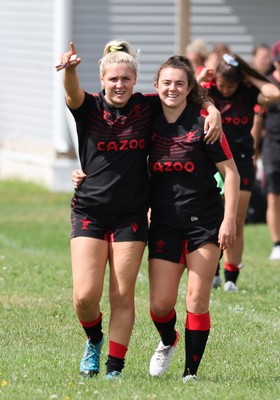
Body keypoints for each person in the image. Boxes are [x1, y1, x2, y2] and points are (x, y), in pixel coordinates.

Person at [57, 39, 222, 380]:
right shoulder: (88, 107)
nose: (119, 85)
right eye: (113, 79)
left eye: (126, 79)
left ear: (135, 81)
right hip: (89, 209)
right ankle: (94, 338)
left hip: (132, 216)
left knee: (122, 295)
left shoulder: (146, 107)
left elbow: (182, 93)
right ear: (102, 80)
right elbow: (72, 93)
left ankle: (114, 369)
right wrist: (71, 70)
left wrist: (213, 109)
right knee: (85, 297)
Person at [147, 55, 240, 382]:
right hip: (164, 224)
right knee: (160, 305)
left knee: (197, 299)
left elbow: (231, 174)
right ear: (156, 85)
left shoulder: (205, 123)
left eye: (180, 84)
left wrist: (229, 221)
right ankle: (167, 339)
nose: (172, 89)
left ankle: (190, 374)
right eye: (167, 83)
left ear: (190, 89)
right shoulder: (147, 116)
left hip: (204, 224)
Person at [198, 53, 280, 291]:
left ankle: (231, 276)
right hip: (211, 161)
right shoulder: (208, 90)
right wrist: (202, 76)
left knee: (235, 219)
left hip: (241, 161)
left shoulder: (246, 91)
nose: (224, 90)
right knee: (212, 216)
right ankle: (212, 269)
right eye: (222, 84)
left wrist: (249, 76)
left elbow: (274, 93)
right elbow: (181, 94)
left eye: (230, 85)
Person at [262, 41, 280, 260]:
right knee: (274, 196)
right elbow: (258, 119)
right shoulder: (267, 85)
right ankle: (277, 243)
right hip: (273, 145)